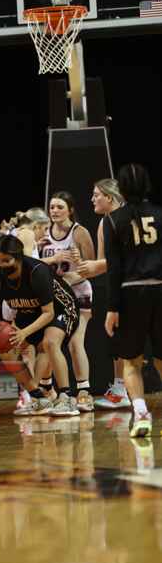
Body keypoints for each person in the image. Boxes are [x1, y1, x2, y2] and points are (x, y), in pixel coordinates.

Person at [0, 234, 80, 416]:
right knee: (5, 349)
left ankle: (67, 397)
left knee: (49, 343)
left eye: (6, 260)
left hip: (61, 308)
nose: (1, 265)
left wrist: (24, 333)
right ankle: (38, 398)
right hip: (29, 312)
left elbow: (48, 313)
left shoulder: (37, 271)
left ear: (18, 258)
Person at [103, 164, 162, 438]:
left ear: (122, 189)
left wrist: (112, 307)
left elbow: (113, 269)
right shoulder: (160, 214)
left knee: (131, 362)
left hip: (130, 293)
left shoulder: (113, 220)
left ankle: (140, 414)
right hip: (160, 289)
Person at [76, 178, 130, 409]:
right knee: (119, 339)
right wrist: (83, 267)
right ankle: (120, 389)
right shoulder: (103, 223)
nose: (92, 199)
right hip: (117, 287)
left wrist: (97, 266)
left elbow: (131, 258)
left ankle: (123, 389)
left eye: (96, 194)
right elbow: (103, 262)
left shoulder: (128, 217)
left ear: (109, 197)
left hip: (136, 285)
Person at [40, 191, 96, 411]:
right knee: (48, 343)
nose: (54, 211)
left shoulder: (79, 232)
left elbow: (93, 267)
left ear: (70, 210)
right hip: (54, 296)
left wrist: (74, 273)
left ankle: (84, 392)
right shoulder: (43, 232)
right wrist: (51, 259)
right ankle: (48, 389)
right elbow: (32, 263)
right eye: (52, 207)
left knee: (74, 343)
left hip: (79, 293)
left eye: (60, 207)